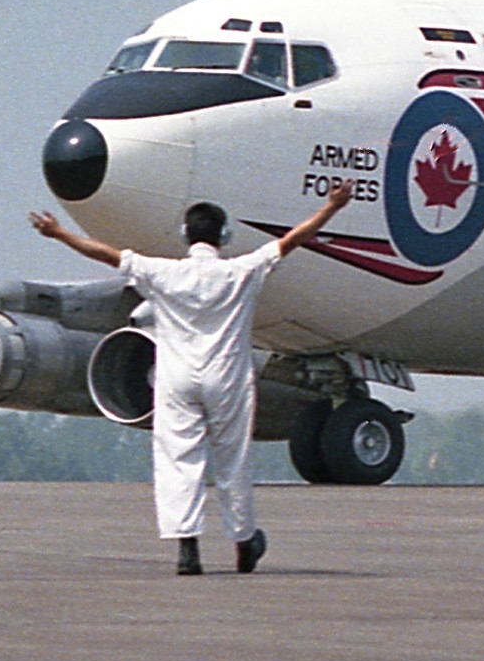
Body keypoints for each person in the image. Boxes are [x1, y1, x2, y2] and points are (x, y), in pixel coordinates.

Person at [31, 181, 354, 575]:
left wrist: (59, 232)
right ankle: (243, 540)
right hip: (227, 377)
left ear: (186, 235)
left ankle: (187, 547)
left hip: (176, 378)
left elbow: (107, 255)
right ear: (224, 236)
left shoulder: (162, 272)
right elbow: (292, 240)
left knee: (179, 459)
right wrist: (332, 207)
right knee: (233, 459)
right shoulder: (240, 270)